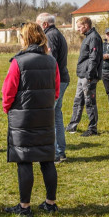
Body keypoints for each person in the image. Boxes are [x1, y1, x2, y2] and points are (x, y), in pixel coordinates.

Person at [2, 23, 61, 217]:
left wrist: (7, 108)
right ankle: (50, 203)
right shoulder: (52, 61)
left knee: (24, 159)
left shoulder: (18, 62)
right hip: (45, 115)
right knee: (47, 159)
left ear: (25, 39)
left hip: (23, 117)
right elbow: (56, 90)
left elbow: (8, 92)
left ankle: (25, 206)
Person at [36, 12, 70, 162]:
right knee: (56, 116)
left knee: (50, 117)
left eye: (37, 25)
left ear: (44, 25)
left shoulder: (50, 36)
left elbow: (51, 61)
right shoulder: (57, 33)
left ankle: (55, 153)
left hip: (56, 80)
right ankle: (59, 151)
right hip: (62, 78)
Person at [66, 17, 102, 136]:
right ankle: (72, 126)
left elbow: (94, 57)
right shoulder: (88, 37)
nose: (77, 29)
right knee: (78, 101)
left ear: (86, 25)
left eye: (79, 26)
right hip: (82, 75)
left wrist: (90, 75)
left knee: (89, 102)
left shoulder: (94, 37)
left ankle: (92, 129)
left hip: (88, 75)